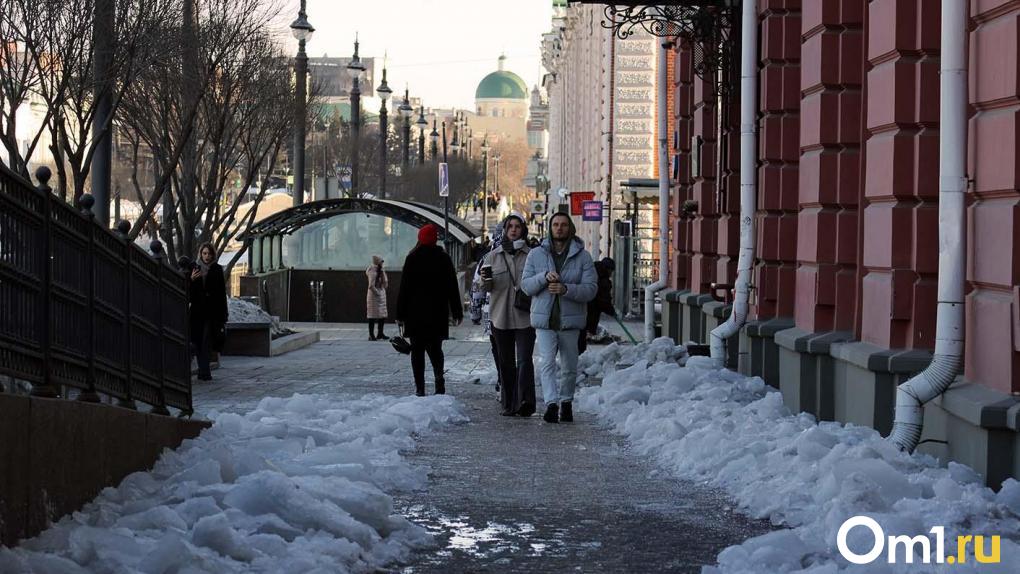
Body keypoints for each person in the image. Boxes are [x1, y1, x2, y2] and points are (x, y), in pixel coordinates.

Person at [521, 213, 597, 423]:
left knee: (569, 366)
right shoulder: (536, 255)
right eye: (555, 224)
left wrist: (566, 289)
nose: (559, 228)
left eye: (563, 225)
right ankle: (551, 404)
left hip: (570, 321)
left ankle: (566, 402)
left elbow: (591, 289)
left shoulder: (583, 257)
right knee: (546, 363)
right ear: (550, 228)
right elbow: (526, 286)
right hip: (544, 320)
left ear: (570, 228)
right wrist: (543, 277)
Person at [478, 214, 536, 417]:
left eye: (517, 226)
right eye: (509, 226)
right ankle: (509, 404)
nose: (513, 230)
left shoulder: (532, 255)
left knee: (525, 360)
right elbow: (485, 288)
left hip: (526, 316)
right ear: (504, 230)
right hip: (500, 316)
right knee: (506, 362)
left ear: (523, 229)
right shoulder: (493, 256)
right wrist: (485, 281)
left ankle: (526, 402)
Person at [396, 224, 464, 396]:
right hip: (437, 314)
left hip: (415, 314)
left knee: (417, 352)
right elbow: (452, 287)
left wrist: (400, 314)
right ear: (435, 239)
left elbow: (404, 288)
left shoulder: (412, 258)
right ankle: (439, 381)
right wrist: (457, 311)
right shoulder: (443, 258)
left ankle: (420, 388)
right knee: (435, 350)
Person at [470, 223, 506, 393]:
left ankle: (503, 379)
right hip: (518, 311)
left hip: (491, 310)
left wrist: (475, 312)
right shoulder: (527, 253)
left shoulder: (487, 257)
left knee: (498, 347)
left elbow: (477, 287)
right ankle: (509, 380)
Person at [189, 242, 228, 381]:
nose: (206, 256)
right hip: (197, 312)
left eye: (209, 253)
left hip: (212, 312)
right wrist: (192, 280)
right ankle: (202, 370)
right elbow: (188, 292)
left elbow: (221, 293)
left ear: (213, 254)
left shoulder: (217, 269)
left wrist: (224, 314)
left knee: (206, 341)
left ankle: (204, 372)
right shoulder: (195, 268)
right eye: (204, 253)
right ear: (201, 254)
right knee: (198, 342)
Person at [578, 257, 617, 354]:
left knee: (578, 336)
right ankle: (577, 360)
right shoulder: (603, 281)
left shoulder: (591, 273)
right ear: (607, 269)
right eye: (611, 271)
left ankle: (577, 358)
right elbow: (603, 300)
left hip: (581, 310)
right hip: (590, 312)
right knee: (580, 340)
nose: (611, 274)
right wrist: (612, 312)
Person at [366, 255, 389, 341]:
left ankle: (380, 333)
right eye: (381, 261)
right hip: (374, 296)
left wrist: (383, 272)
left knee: (382, 315)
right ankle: (371, 335)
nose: (382, 263)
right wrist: (378, 293)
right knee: (372, 316)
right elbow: (371, 285)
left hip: (381, 294)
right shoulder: (372, 270)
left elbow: (385, 282)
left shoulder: (380, 270)